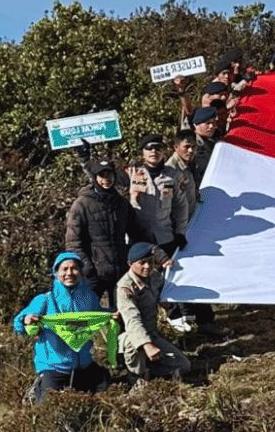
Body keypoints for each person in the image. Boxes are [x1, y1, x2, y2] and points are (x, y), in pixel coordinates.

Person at [14, 252, 113, 404]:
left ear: (80, 272)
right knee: (48, 408)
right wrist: (26, 320)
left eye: (74, 269)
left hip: (84, 365)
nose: (69, 273)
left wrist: (111, 315)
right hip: (54, 367)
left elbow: (97, 314)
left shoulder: (89, 297)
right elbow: (18, 324)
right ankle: (37, 389)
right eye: (64, 269)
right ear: (56, 273)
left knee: (104, 394)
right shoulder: (45, 300)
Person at [117, 243, 191, 381]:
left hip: (151, 334)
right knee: (131, 342)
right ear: (130, 264)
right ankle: (136, 374)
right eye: (142, 263)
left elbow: (166, 296)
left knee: (184, 366)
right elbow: (132, 321)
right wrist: (147, 345)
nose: (147, 266)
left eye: (150, 262)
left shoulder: (155, 277)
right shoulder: (125, 288)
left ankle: (148, 371)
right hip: (130, 336)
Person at [65, 155, 132, 300]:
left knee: (121, 316)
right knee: (88, 317)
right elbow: (72, 243)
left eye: (109, 174)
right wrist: (87, 269)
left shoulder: (122, 203)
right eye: (102, 175)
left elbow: (138, 232)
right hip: (93, 275)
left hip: (121, 272)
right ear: (95, 177)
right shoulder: (81, 204)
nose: (106, 178)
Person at [125, 134, 190, 258]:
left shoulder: (174, 175)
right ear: (142, 153)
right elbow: (104, 178)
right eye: (149, 148)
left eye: (158, 148)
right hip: (139, 238)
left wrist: (180, 233)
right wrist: (85, 160)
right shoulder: (132, 173)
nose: (153, 151)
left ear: (164, 152)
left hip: (165, 237)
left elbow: (181, 206)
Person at [166, 129, 199, 214]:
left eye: (193, 147)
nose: (191, 151)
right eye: (187, 147)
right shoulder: (170, 170)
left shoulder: (189, 163)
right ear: (176, 147)